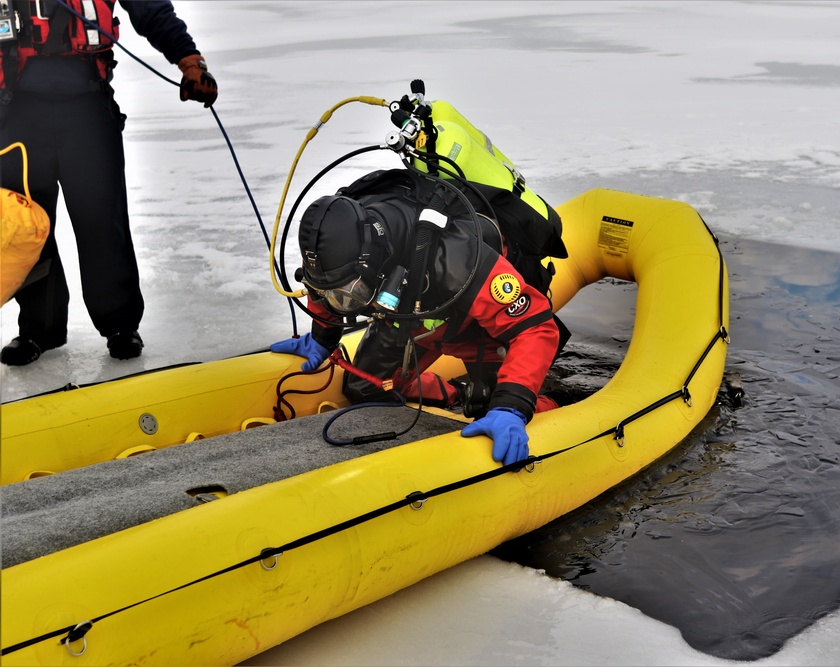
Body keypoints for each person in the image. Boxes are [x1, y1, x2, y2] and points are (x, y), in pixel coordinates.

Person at [271, 168, 565, 467]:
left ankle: (556, 407)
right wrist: (322, 337)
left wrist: (512, 407)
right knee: (364, 388)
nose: (341, 303)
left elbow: (535, 328)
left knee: (494, 405)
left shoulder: (455, 257)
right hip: (408, 321)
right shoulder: (338, 248)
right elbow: (322, 290)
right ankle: (453, 393)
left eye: (351, 293)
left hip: (475, 330)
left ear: (372, 265)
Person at [0, 0, 218, 366]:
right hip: (16, 112)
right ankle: (39, 328)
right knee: (27, 225)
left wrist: (189, 60)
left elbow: (152, 10)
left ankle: (120, 324)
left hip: (88, 107)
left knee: (102, 218)